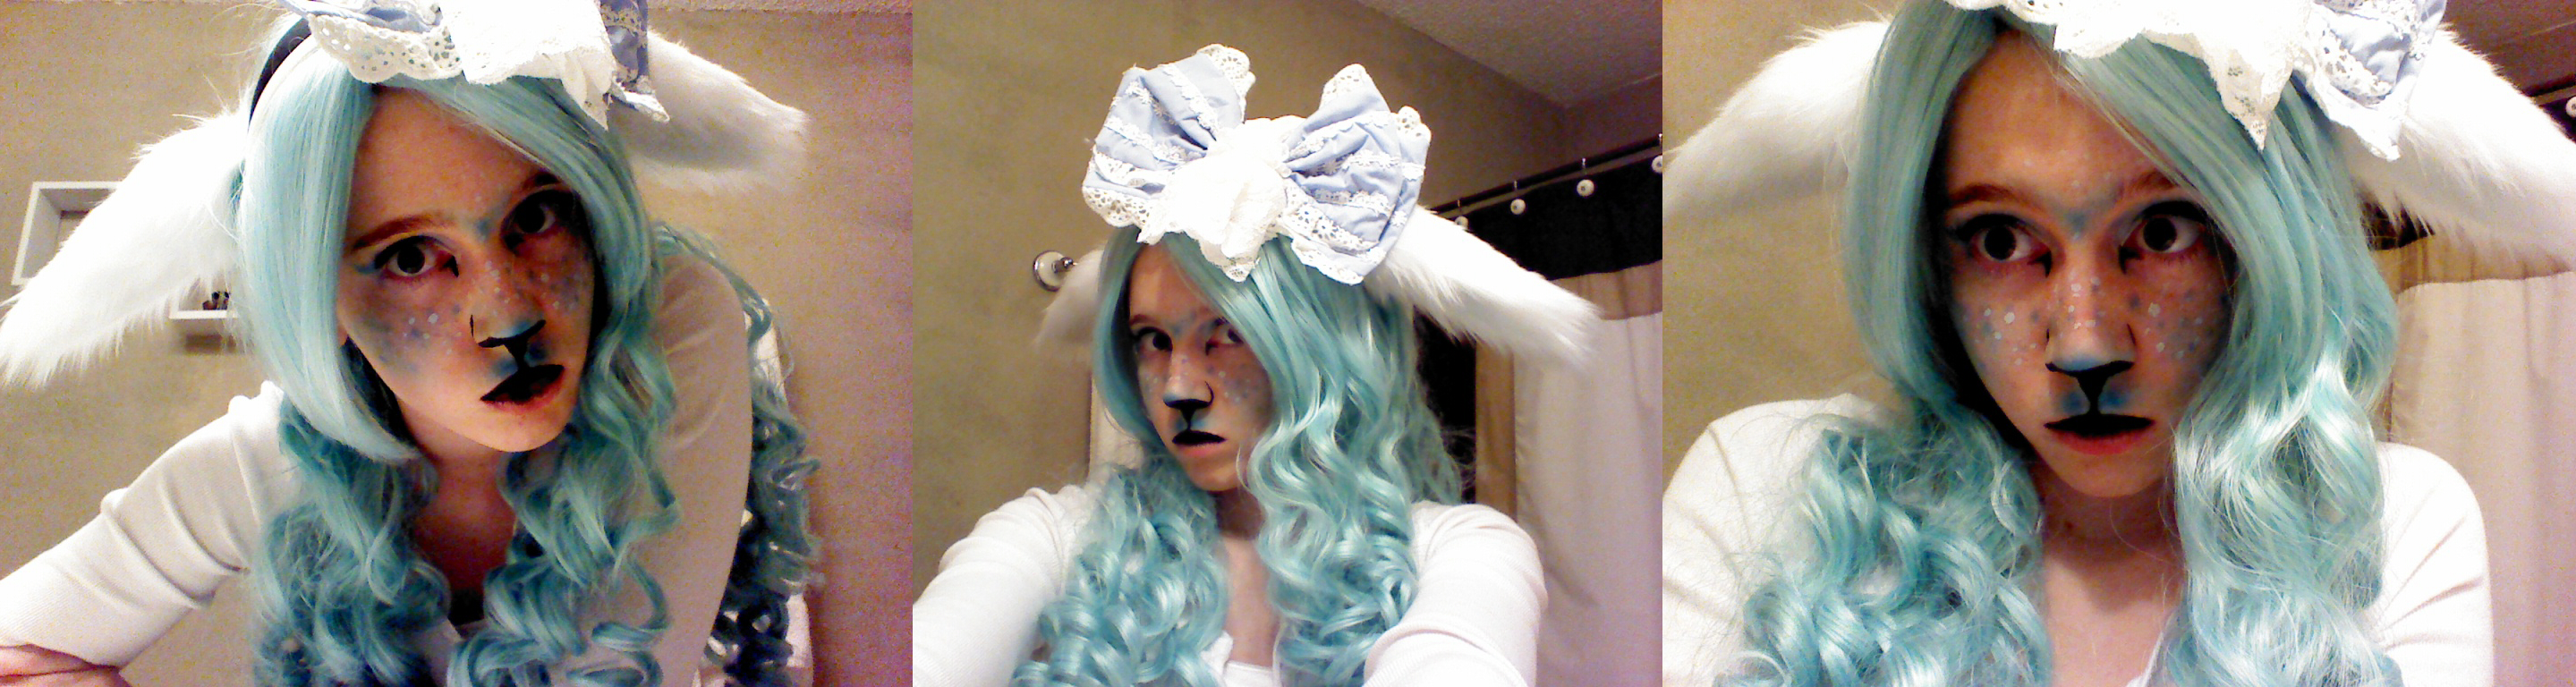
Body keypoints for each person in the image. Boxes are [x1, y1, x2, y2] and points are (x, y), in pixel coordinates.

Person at [1661, 1, 2575, 684]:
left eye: (2163, 231)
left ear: (2261, 251)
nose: (2085, 344)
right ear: (1928, 267)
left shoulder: (2391, 529)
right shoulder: (1768, 496)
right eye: (2000, 242)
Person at [0, 1, 817, 683]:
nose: (508, 318)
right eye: (410, 259)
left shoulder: (666, 335)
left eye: (536, 217)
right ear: (315, 299)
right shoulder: (267, 463)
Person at [911, 46, 1597, 686]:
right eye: (1152, 339)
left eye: (1228, 335)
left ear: (1324, 350)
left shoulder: (1457, 551)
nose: (1178, 388)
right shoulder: (1059, 537)